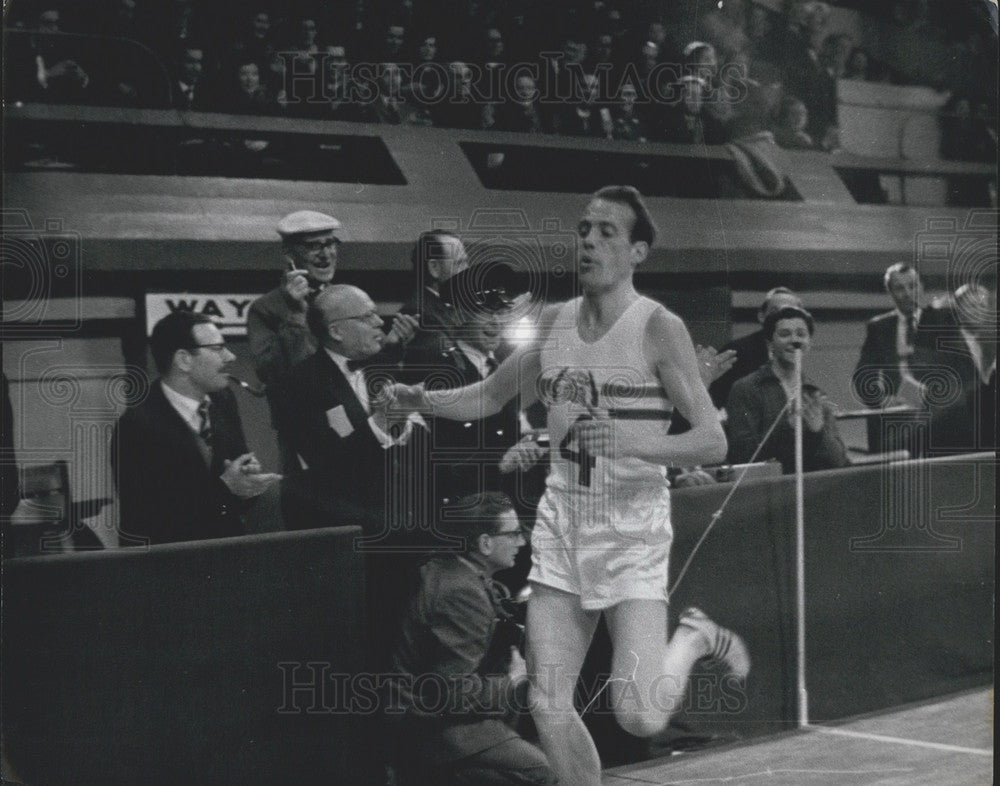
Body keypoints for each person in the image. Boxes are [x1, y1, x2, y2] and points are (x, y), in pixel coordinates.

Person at [387, 186, 750, 786]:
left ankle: (692, 637)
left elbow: (713, 442)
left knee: (637, 715)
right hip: (563, 523)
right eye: (584, 228)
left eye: (607, 231)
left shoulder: (660, 327)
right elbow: (486, 396)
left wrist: (632, 442)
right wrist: (418, 397)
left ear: (637, 252)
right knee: (548, 704)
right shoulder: (552, 322)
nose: (589, 240)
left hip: (631, 527)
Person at [388, 492, 552, 785]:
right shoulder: (462, 593)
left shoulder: (456, 572)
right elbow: (453, 693)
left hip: (435, 721)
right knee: (541, 773)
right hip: (432, 732)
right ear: (485, 543)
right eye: (514, 533)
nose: (522, 542)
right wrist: (513, 680)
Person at [246, 210, 417, 470]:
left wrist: (391, 347)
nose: (325, 254)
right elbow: (274, 375)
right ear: (289, 255)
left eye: (330, 244)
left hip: (361, 414)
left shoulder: (348, 299)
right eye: (313, 246)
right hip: (311, 426)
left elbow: (361, 365)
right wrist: (294, 314)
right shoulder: (266, 308)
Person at [111, 311, 281, 546]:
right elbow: (153, 519)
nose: (230, 356)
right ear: (184, 360)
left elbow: (229, 479)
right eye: (218, 348)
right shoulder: (136, 427)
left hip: (224, 551)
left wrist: (246, 481)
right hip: (167, 564)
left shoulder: (223, 400)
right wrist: (226, 487)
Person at [725, 305, 849, 473]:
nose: (795, 340)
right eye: (785, 334)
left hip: (810, 488)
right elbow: (742, 456)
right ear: (770, 343)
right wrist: (787, 428)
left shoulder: (814, 394)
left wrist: (818, 432)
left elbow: (839, 461)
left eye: (801, 334)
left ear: (809, 343)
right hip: (767, 490)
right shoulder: (746, 389)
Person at [853, 263, 935, 410]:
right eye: (899, 288)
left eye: (913, 286)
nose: (908, 293)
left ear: (921, 286)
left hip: (935, 414)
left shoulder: (941, 321)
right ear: (890, 292)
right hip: (895, 414)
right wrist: (882, 401)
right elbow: (862, 376)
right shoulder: (878, 327)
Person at [709, 287, 803, 407]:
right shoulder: (737, 350)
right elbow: (718, 399)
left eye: (789, 313)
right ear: (761, 316)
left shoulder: (796, 350)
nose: (782, 318)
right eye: (775, 312)